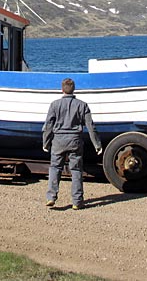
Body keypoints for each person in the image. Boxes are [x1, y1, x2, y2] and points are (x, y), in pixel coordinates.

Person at [43, 78, 102, 210]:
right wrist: (97, 144)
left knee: (55, 168)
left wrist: (45, 142)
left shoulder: (54, 105)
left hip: (58, 140)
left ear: (62, 89)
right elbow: (90, 126)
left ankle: (51, 197)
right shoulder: (82, 105)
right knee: (76, 170)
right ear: (74, 89)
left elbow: (48, 126)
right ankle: (77, 201)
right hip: (75, 140)